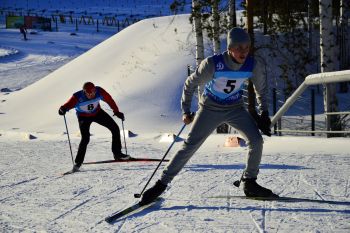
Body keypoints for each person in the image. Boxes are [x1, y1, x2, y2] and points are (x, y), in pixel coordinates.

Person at [140, 27, 277, 205]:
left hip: (235, 108)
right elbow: (190, 83)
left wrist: (264, 113)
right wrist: (185, 110)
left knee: (256, 141)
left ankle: (249, 182)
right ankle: (160, 184)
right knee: (190, 146)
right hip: (210, 108)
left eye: (246, 47)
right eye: (239, 47)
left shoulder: (252, 65)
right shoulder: (213, 64)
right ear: (230, 48)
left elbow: (261, 90)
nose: (243, 51)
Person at [58, 82, 130, 172]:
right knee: (85, 138)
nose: (91, 95)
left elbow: (110, 100)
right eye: (89, 94)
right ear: (84, 92)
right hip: (83, 116)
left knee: (115, 128)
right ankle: (78, 163)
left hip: (97, 113)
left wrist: (116, 111)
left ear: (95, 90)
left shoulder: (100, 91)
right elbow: (66, 106)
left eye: (93, 93)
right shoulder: (77, 97)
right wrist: (62, 109)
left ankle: (117, 154)